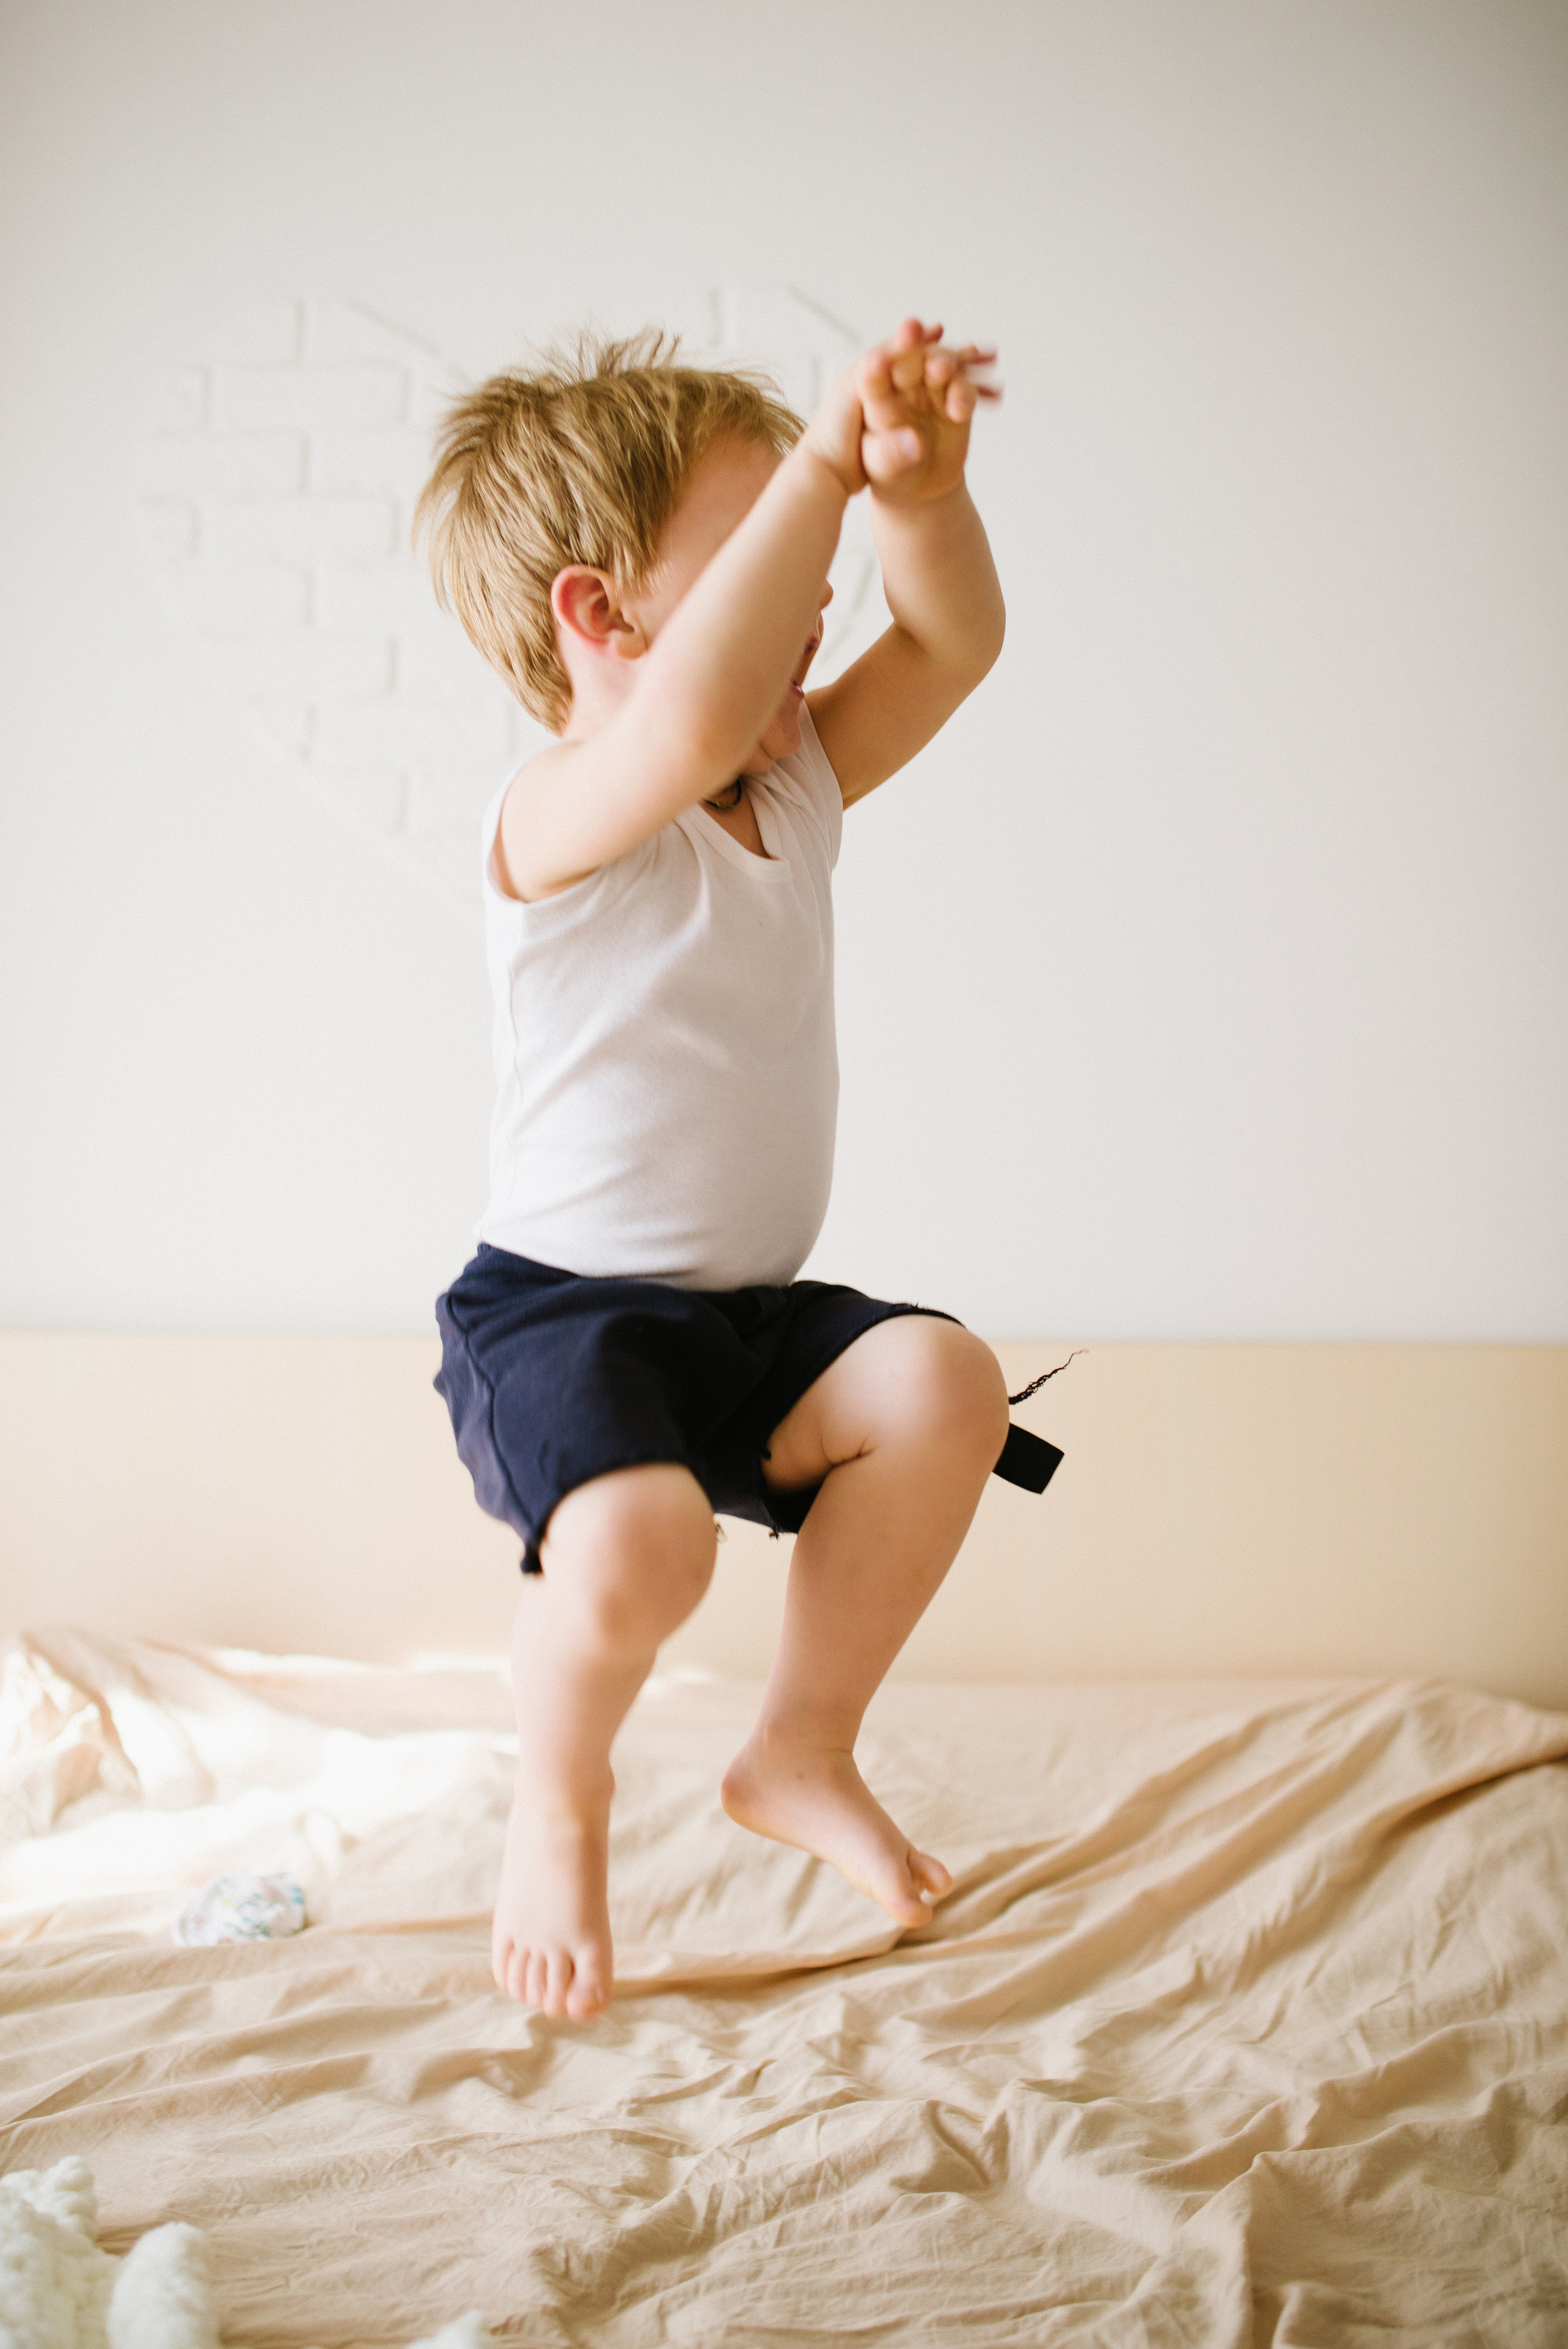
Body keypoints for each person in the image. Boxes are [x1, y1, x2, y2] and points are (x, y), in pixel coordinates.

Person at [417, 316, 1055, 2023]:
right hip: (563, 1319)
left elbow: (954, 638)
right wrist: (827, 459)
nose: (816, 582)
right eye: (769, 542)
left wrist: (916, 494)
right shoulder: (560, 814)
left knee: (942, 1384)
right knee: (648, 1555)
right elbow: (688, 725)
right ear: (601, 617)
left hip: (744, 1322)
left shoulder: (799, 781)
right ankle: (560, 1800)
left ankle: (800, 1744)